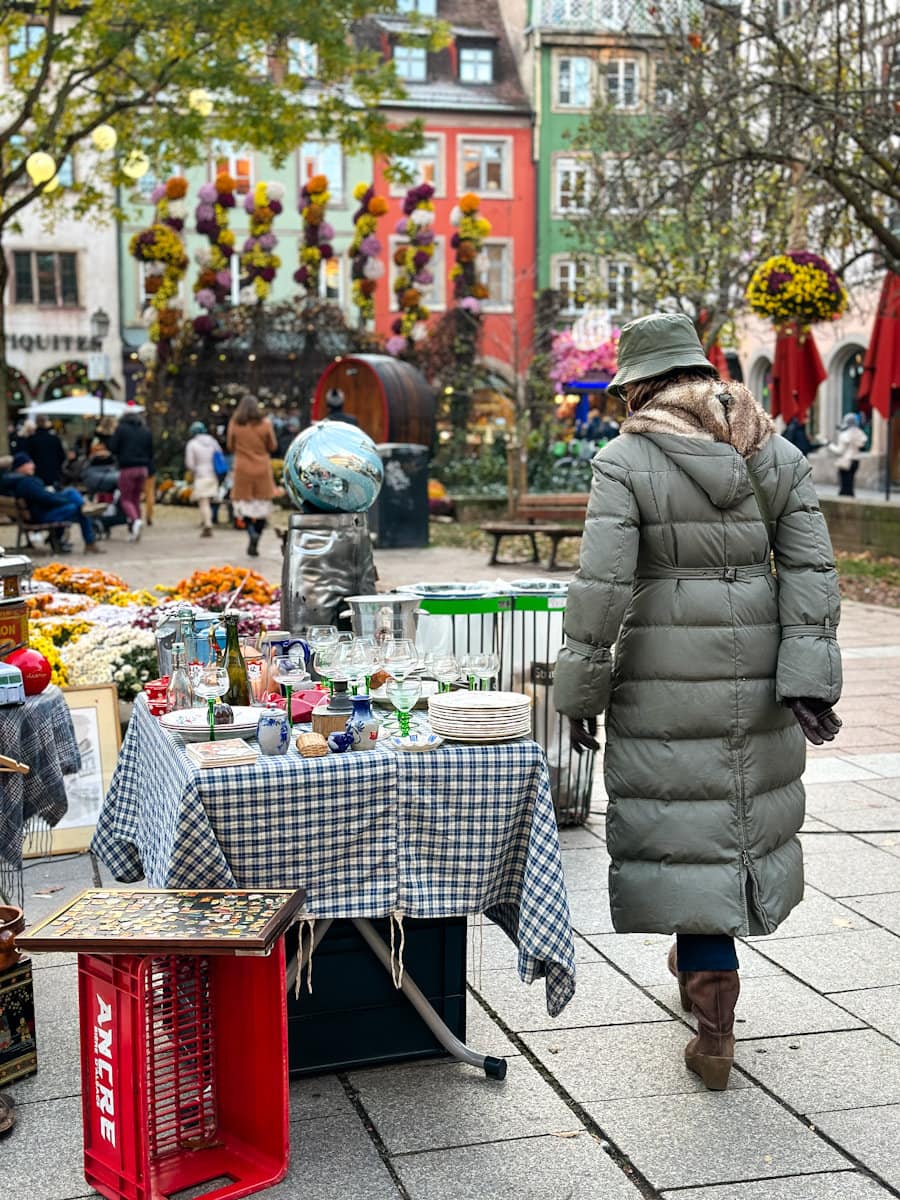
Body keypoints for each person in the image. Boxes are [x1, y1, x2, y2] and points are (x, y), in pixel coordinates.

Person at [554, 312, 842, 1092]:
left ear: (641, 384)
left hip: (661, 668)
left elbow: (604, 586)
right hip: (759, 666)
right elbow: (812, 567)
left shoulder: (625, 458)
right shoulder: (773, 448)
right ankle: (703, 975)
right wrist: (810, 674)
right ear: (702, 371)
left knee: (686, 825)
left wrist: (578, 691)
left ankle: (714, 1015)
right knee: (731, 820)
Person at [1, 452, 105, 553]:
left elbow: (43, 497)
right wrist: (64, 500)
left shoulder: (16, 481)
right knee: (78, 508)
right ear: (20, 467)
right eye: (29, 463)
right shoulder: (26, 482)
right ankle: (90, 541)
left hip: (38, 512)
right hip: (42, 516)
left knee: (71, 492)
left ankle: (84, 507)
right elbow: (45, 498)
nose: (33, 465)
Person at [226, 394, 277, 556]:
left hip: (242, 467)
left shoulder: (235, 423)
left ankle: (250, 530)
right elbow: (273, 445)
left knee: (242, 504)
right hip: (262, 467)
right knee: (262, 504)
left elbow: (230, 445)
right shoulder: (266, 424)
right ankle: (258, 534)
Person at [109, 410, 153, 541]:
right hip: (143, 468)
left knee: (125, 498)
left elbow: (113, 447)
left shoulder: (121, 429)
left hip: (127, 467)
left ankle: (135, 521)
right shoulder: (145, 430)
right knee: (135, 499)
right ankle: (135, 526)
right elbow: (151, 451)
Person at [185, 420, 223, 538]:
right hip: (213, 473)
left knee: (204, 501)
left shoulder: (192, 444)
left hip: (201, 475)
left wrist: (193, 471)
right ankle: (209, 519)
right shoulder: (213, 442)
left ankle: (207, 523)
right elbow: (219, 455)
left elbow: (190, 463)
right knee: (211, 500)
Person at [828, 412, 868, 497]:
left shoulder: (844, 435)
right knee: (851, 483)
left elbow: (839, 451)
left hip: (846, 461)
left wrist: (829, 445)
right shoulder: (860, 433)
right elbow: (862, 443)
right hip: (856, 461)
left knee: (844, 485)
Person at [23, 415, 66, 487]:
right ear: (45, 423)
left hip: (37, 475)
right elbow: (62, 456)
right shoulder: (54, 439)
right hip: (53, 475)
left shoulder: (31, 440)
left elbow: (27, 457)